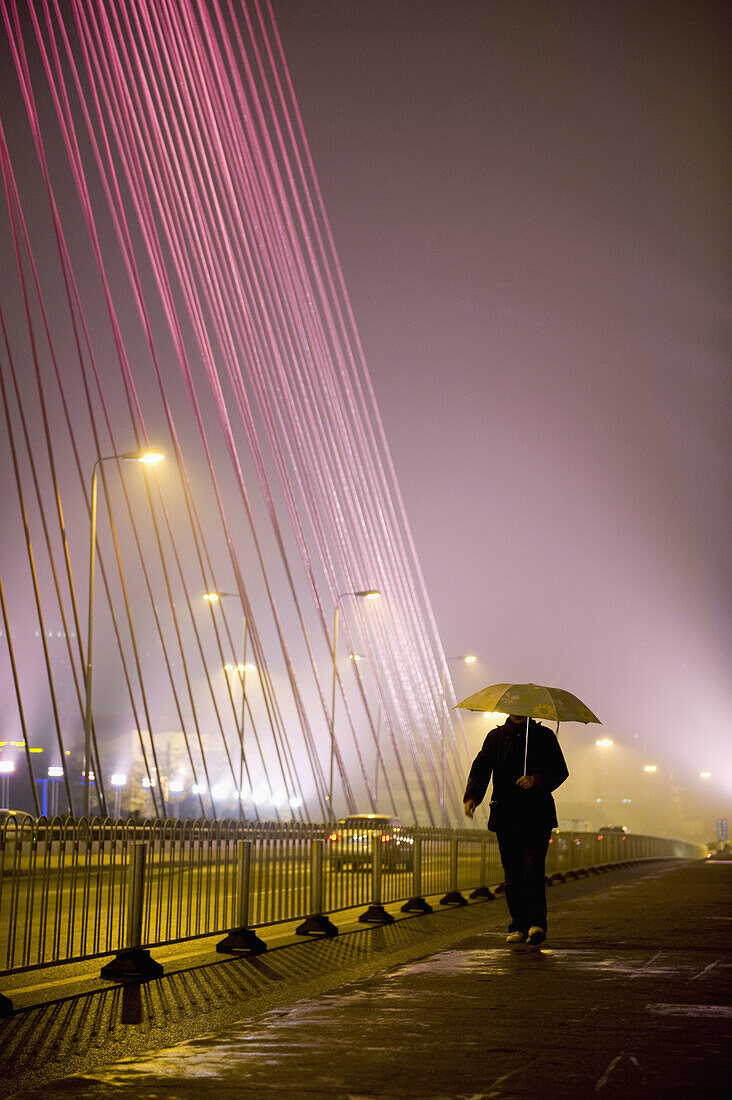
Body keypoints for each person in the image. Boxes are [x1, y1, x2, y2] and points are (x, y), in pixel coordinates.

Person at [463, 713, 568, 946]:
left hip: (537, 815)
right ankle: (518, 925)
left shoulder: (544, 736)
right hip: (505, 815)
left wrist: (536, 779)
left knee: (532, 870)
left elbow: (560, 771)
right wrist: (472, 797)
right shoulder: (495, 737)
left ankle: (537, 925)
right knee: (512, 875)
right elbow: (481, 768)